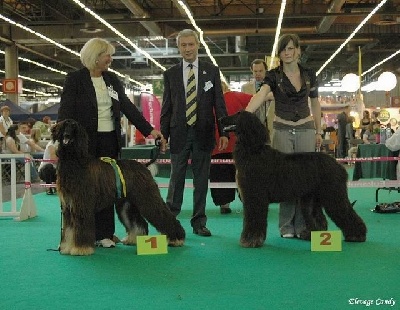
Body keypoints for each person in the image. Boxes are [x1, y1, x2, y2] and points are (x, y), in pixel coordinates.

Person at [58, 37, 165, 248]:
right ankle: (86, 236)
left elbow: (128, 107)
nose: (110, 59)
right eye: (107, 55)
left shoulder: (112, 80)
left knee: (109, 188)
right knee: (85, 192)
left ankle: (105, 233)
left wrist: (150, 130)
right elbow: (65, 113)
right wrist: (62, 141)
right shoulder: (75, 79)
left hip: (110, 140)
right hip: (84, 145)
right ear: (95, 56)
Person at [244, 33, 322, 239]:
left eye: (290, 48)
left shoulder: (309, 74)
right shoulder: (273, 75)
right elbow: (261, 95)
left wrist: (319, 130)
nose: (287, 53)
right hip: (282, 129)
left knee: (306, 180)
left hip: (306, 128)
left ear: (298, 50)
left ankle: (305, 225)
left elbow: (315, 102)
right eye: (283, 49)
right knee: (284, 180)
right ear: (279, 53)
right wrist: (245, 114)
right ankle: (286, 226)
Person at [160, 29, 228, 237]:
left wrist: (224, 132)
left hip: (204, 133)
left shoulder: (212, 71)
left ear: (197, 44)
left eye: (191, 44)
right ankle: (170, 221)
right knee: (175, 178)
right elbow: (166, 106)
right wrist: (163, 134)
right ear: (178, 47)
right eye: (183, 45)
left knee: (201, 180)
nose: (187, 49)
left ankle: (199, 222)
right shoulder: (170, 74)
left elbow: (219, 104)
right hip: (178, 132)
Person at [209, 82, 252, 214]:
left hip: (217, 147)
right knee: (244, 176)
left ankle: (224, 204)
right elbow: (256, 99)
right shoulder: (235, 96)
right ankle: (248, 201)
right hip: (238, 145)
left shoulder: (207, 102)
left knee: (219, 175)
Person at [241, 59, 275, 137]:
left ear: (266, 70)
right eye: (255, 71)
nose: (258, 74)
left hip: (271, 126)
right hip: (253, 128)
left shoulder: (275, 86)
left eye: (260, 71)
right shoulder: (245, 88)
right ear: (251, 70)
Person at [38, 126, 58, 195]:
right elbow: (53, 159)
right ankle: (48, 187)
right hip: (45, 171)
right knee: (49, 166)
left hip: (56, 169)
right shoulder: (51, 144)